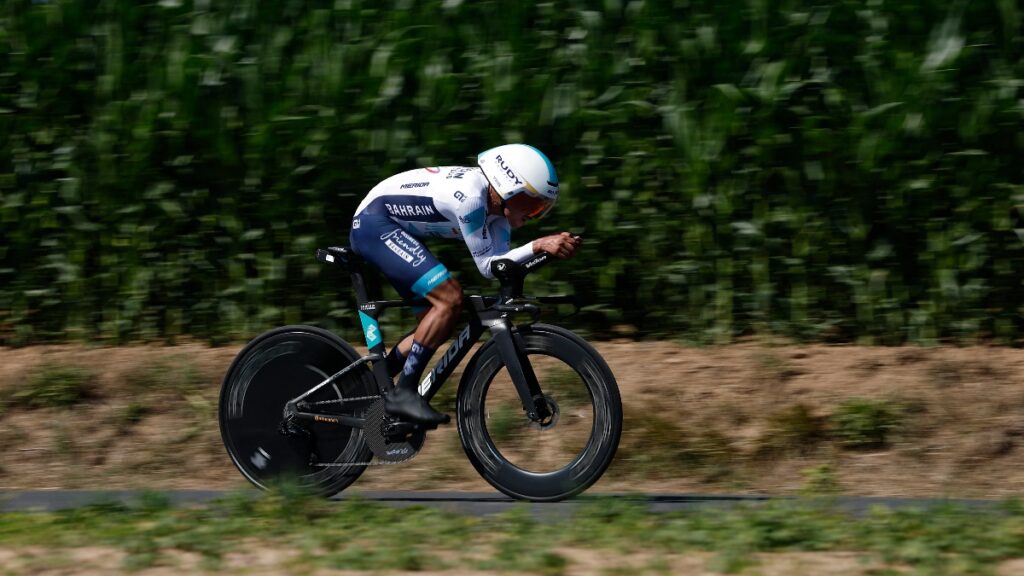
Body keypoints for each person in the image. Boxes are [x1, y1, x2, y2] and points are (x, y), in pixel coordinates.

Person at [349, 144, 582, 425]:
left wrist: (542, 252)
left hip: (388, 225)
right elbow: (486, 266)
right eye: (532, 205)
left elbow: (499, 265)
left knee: (434, 323)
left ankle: (367, 386)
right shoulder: (471, 198)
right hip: (375, 224)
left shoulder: (497, 213)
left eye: (542, 208)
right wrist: (539, 245)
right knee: (450, 300)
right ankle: (404, 394)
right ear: (508, 187)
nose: (535, 215)